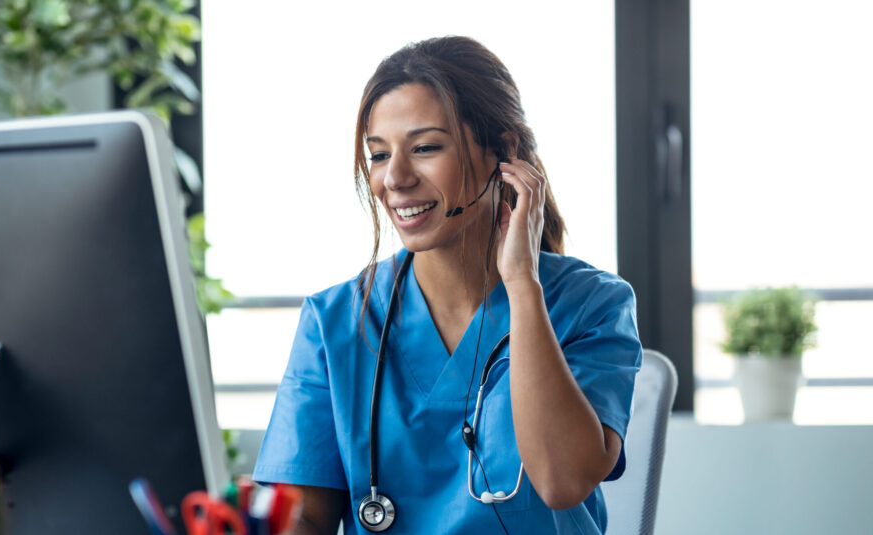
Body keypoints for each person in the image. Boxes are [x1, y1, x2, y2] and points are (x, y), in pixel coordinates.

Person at [252, 36, 642, 534]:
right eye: (378, 155)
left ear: (504, 151)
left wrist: (521, 283)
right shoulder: (334, 323)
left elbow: (563, 482)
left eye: (425, 148)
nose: (394, 178)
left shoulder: (592, 305)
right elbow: (302, 517)